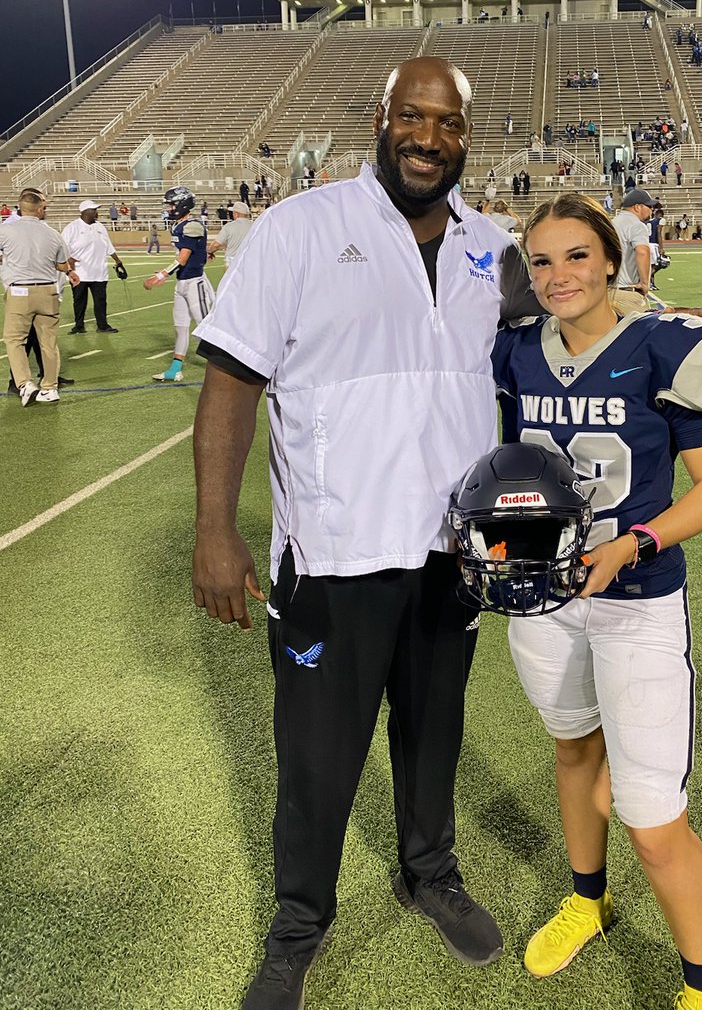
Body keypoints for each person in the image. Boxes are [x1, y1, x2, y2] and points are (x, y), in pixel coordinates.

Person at [191, 57, 541, 1010]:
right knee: (316, 756)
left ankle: (429, 874)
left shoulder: (493, 245)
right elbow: (231, 379)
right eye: (413, 118)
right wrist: (215, 531)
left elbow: (544, 357)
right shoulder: (301, 229)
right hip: (333, 557)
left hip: (452, 558)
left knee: (434, 736)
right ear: (382, 119)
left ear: (468, 137)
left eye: (449, 125)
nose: (428, 139)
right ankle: (299, 924)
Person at [492, 191, 702, 1010]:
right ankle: (587, 900)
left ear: (610, 259)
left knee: (653, 820)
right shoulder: (516, 353)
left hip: (636, 598)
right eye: (544, 260)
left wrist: (633, 543)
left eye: (575, 256)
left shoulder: (662, 347)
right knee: (572, 752)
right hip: (545, 594)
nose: (559, 275)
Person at [0, 187, 80, 406]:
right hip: (48, 291)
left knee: (15, 340)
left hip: (20, 291)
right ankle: (50, 388)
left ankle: (24, 384)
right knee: (49, 343)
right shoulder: (53, 233)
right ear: (39, 209)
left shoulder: (5, 230)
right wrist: (69, 271)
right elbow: (63, 264)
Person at [142, 186, 215, 382]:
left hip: (194, 283)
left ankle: (222, 365)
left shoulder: (192, 225)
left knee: (205, 326)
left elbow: (183, 258)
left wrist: (161, 275)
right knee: (181, 327)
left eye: (172, 204)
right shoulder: (179, 225)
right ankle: (175, 369)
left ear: (183, 204)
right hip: (182, 283)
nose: (169, 207)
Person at [61, 199, 126, 335]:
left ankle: (102, 325)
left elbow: (108, 246)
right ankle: (79, 326)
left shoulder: (100, 227)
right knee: (79, 301)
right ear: (86, 212)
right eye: (94, 210)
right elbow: (62, 248)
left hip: (99, 272)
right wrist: (69, 265)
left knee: (101, 301)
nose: (97, 212)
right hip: (80, 273)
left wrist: (118, 261)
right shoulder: (71, 228)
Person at [612, 188, 654, 296]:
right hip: (627, 289)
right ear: (637, 207)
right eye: (649, 206)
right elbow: (642, 252)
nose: (651, 210)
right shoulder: (636, 225)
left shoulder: (612, 223)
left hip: (608, 290)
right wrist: (645, 283)